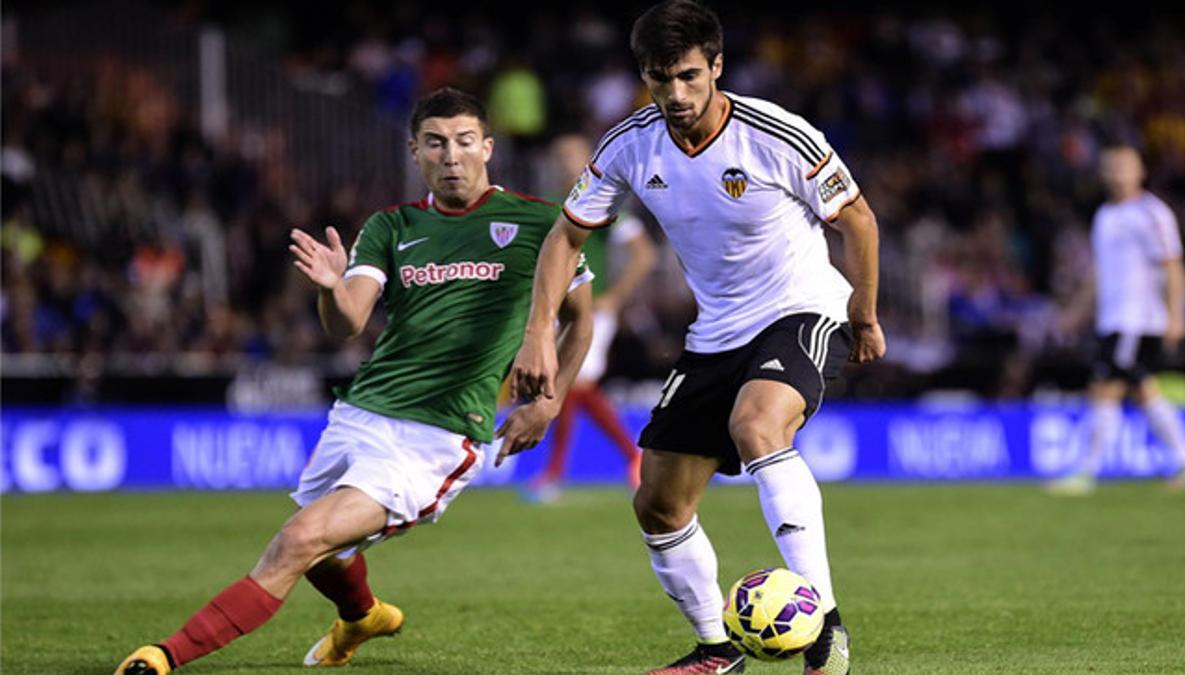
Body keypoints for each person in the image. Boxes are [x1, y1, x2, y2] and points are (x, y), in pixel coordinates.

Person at [114, 87, 593, 675]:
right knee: (321, 555)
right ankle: (362, 618)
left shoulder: (539, 223)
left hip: (436, 436)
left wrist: (547, 405)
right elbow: (348, 323)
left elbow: (582, 320)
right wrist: (330, 288)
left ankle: (161, 658)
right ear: (414, 150)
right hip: (360, 414)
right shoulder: (392, 226)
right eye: (436, 143)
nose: (451, 156)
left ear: (487, 147)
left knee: (297, 541)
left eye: (465, 142)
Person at [511, 3, 885, 674]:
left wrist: (863, 313)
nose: (676, 95)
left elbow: (856, 219)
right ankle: (717, 650)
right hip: (716, 330)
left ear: (716, 66)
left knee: (757, 424)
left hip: (802, 308)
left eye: (689, 76)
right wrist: (539, 330)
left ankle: (824, 625)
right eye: (660, 79)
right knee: (657, 501)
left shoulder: (777, 134)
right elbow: (568, 234)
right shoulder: (629, 144)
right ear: (644, 76)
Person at [1048, 145, 1185, 495]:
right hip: (1113, 320)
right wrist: (1075, 313)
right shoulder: (1105, 216)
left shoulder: (1152, 213)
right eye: (1110, 167)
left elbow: (1172, 264)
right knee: (1144, 391)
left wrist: (1176, 315)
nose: (1116, 173)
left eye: (1124, 167)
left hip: (1138, 319)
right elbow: (1101, 274)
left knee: (1104, 388)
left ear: (1140, 171)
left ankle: (1084, 472)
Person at [523, 133, 656, 502]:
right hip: (551, 312)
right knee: (571, 389)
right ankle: (631, 459)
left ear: (587, 160)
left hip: (589, 311)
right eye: (558, 157)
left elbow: (643, 255)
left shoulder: (602, 203)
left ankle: (557, 472)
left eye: (571, 156)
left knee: (571, 387)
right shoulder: (542, 206)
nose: (564, 164)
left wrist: (614, 297)